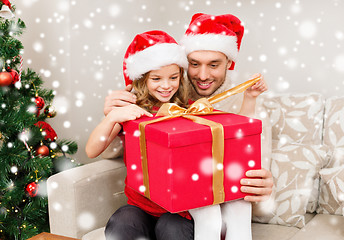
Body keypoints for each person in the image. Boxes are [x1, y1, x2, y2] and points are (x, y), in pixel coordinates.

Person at [102, 13, 274, 240]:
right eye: (194, 64)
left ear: (229, 63)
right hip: (154, 202)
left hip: (196, 208)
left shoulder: (245, 104)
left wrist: (264, 185)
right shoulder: (166, 94)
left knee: (179, 225)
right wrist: (111, 116)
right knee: (123, 224)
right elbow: (112, 151)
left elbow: (252, 164)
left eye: (214, 64)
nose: (203, 75)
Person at [86, 30, 194, 240]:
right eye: (156, 78)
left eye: (173, 77)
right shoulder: (130, 109)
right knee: (121, 224)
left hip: (179, 208)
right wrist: (112, 118)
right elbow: (91, 150)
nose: (166, 85)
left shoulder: (187, 109)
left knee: (172, 228)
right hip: (140, 205)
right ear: (142, 79)